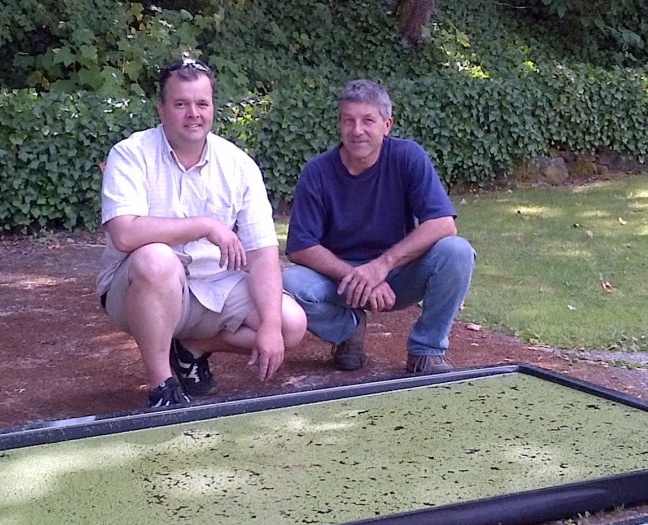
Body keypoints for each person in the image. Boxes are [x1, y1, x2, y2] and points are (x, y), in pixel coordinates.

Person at [96, 58, 307, 407]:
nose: (192, 113)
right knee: (155, 258)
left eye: (201, 104)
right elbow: (125, 234)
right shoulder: (130, 153)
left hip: (215, 287)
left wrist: (269, 325)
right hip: (138, 288)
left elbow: (262, 252)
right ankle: (162, 384)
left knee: (289, 323)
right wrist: (206, 226)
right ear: (162, 110)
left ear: (212, 109)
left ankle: (193, 348)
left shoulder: (238, 164)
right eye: (181, 104)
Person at [283, 79, 475, 374]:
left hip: (397, 276)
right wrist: (357, 276)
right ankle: (348, 331)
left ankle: (427, 350)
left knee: (457, 252)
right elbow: (300, 246)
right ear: (339, 125)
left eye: (367, 121)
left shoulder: (407, 156)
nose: (357, 130)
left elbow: (443, 224)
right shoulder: (318, 171)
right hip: (341, 279)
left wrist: (381, 267)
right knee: (288, 285)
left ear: (387, 125)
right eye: (349, 121)